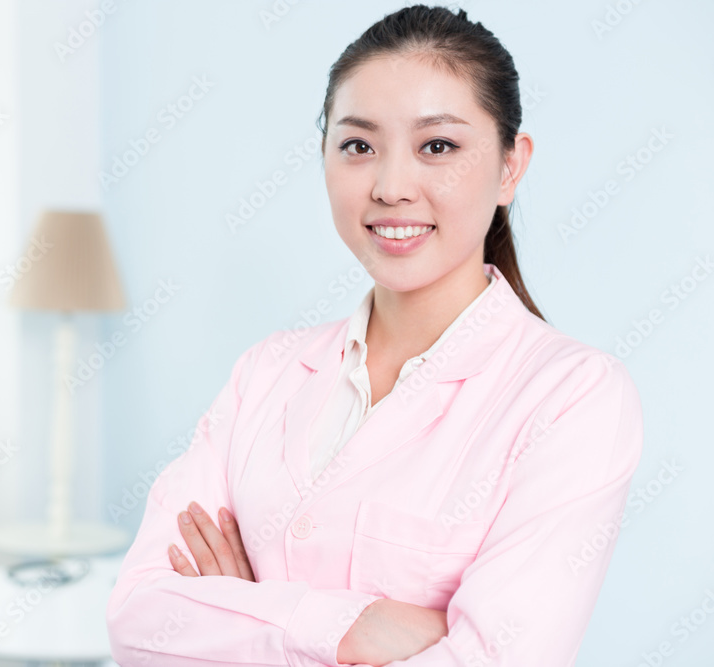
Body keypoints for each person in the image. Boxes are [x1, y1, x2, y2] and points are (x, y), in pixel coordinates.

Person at [105, 5, 643, 666]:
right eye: (359, 145)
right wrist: (350, 627)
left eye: (437, 146)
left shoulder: (572, 397)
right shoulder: (266, 372)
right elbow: (136, 621)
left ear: (510, 166)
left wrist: (243, 613)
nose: (390, 187)